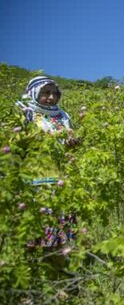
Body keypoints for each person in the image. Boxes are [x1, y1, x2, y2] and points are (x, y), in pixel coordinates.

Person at [16, 75, 77, 249]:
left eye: (54, 93)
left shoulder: (63, 116)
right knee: (35, 220)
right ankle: (32, 265)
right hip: (33, 175)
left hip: (60, 175)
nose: (51, 97)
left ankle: (55, 261)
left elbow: (68, 146)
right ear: (34, 93)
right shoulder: (24, 112)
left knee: (58, 218)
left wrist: (73, 144)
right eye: (45, 93)